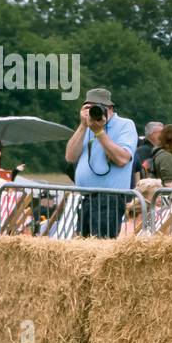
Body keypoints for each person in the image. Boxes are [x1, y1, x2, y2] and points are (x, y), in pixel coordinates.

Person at [64, 87, 137, 238]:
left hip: (109, 200)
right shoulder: (86, 127)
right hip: (85, 198)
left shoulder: (125, 125)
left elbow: (122, 158)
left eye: (98, 108)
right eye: (89, 108)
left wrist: (99, 132)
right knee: (82, 249)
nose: (95, 112)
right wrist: (83, 125)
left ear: (110, 108)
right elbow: (70, 157)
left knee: (102, 247)